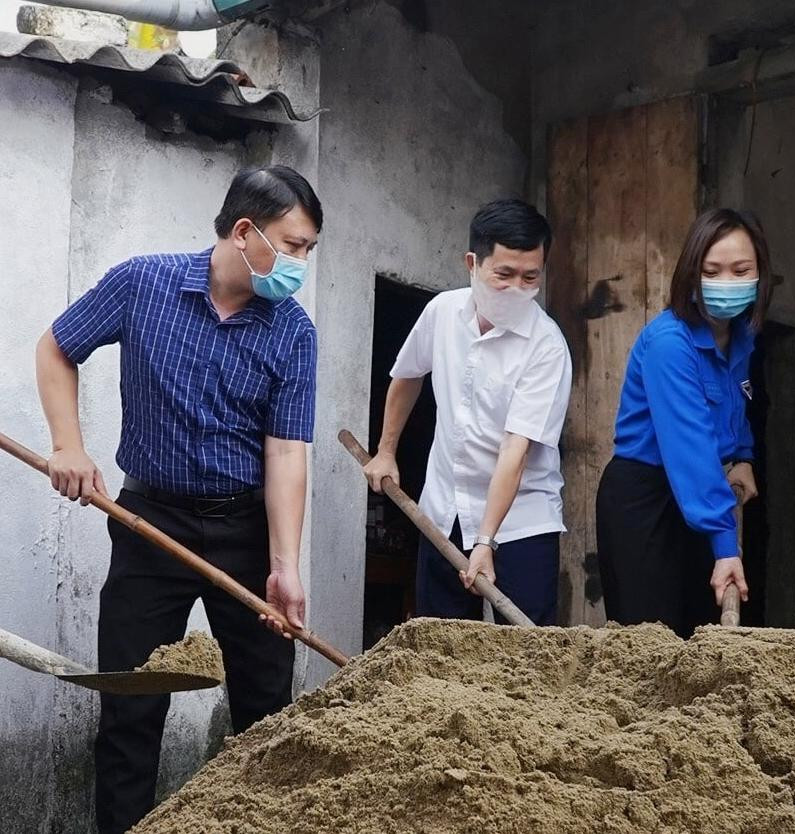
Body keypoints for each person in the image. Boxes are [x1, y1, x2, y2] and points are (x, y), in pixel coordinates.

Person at [35, 165, 322, 833]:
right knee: (130, 712)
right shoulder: (143, 284)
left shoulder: (292, 332)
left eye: (310, 248)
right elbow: (56, 348)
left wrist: (286, 564)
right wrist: (67, 445)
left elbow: (286, 453)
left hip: (245, 531)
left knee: (266, 715)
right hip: (147, 521)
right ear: (245, 232)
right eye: (296, 245)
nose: (302, 264)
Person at [363, 199, 571, 626]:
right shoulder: (442, 311)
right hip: (444, 512)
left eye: (530, 277)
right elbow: (407, 376)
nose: (517, 287)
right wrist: (386, 451)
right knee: (440, 646)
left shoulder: (547, 346)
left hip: (519, 523)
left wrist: (487, 541)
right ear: (472, 263)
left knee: (526, 658)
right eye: (504, 275)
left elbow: (516, 450)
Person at [596, 208, 772, 639]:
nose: (726, 282)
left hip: (701, 498)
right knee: (651, 643)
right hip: (648, 500)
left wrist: (742, 457)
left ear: (760, 274)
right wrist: (726, 545)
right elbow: (690, 449)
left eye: (740, 270)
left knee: (698, 632)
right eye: (711, 271)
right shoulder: (669, 345)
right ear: (691, 274)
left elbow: (738, 403)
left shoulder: (742, 335)